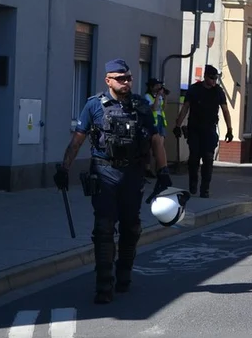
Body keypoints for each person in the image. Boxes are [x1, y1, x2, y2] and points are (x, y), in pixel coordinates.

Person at [55, 59, 171, 304]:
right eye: (121, 78)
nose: (126, 82)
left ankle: (124, 274)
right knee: (104, 228)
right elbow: (77, 140)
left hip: (133, 175)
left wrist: (163, 172)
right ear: (108, 80)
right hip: (104, 172)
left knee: (131, 227)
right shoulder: (94, 106)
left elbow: (156, 140)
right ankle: (104, 284)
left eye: (128, 77)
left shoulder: (140, 105)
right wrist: (64, 169)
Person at [172, 64, 233, 198]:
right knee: (194, 158)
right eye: (211, 78)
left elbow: (225, 110)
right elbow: (185, 108)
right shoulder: (194, 90)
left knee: (208, 158)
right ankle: (193, 182)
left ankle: (205, 188)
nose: (214, 81)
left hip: (210, 129)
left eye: (216, 78)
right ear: (205, 77)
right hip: (194, 128)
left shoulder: (218, 91)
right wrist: (178, 125)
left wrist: (229, 129)